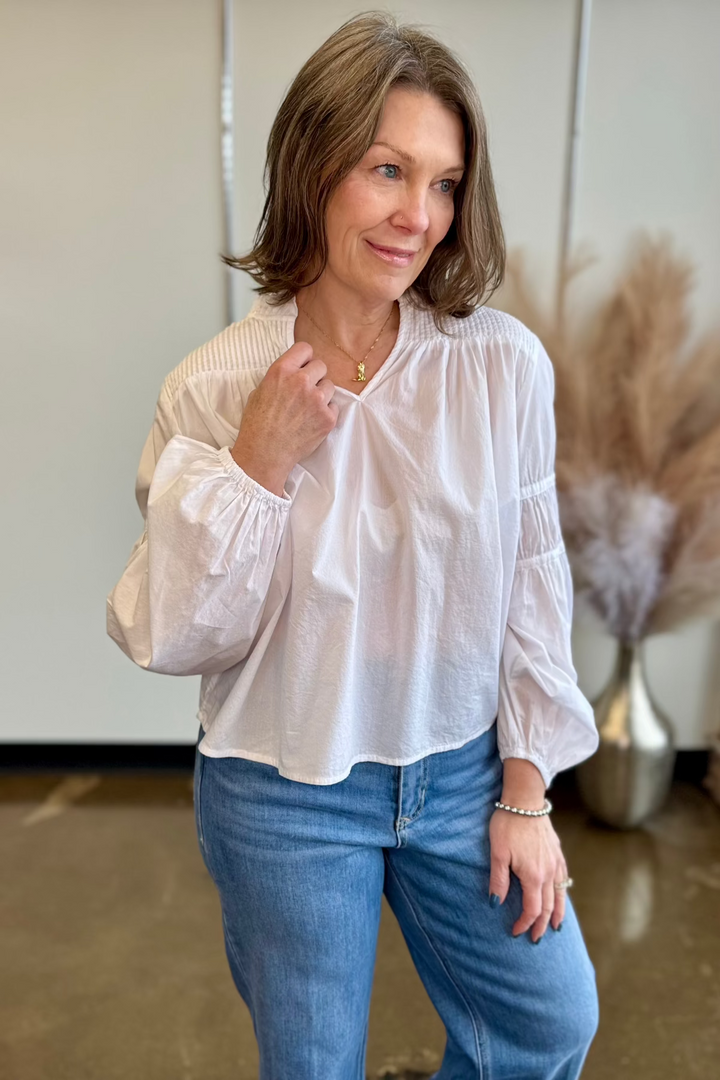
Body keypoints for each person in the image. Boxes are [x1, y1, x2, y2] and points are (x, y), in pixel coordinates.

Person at [107, 11, 600, 1079]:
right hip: (282, 787)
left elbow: (529, 583)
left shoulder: (501, 369)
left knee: (549, 1023)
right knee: (314, 1065)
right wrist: (257, 467)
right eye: (386, 170)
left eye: (445, 182)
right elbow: (179, 635)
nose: (418, 215)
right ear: (313, 168)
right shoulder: (215, 386)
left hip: (463, 773)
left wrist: (527, 792)